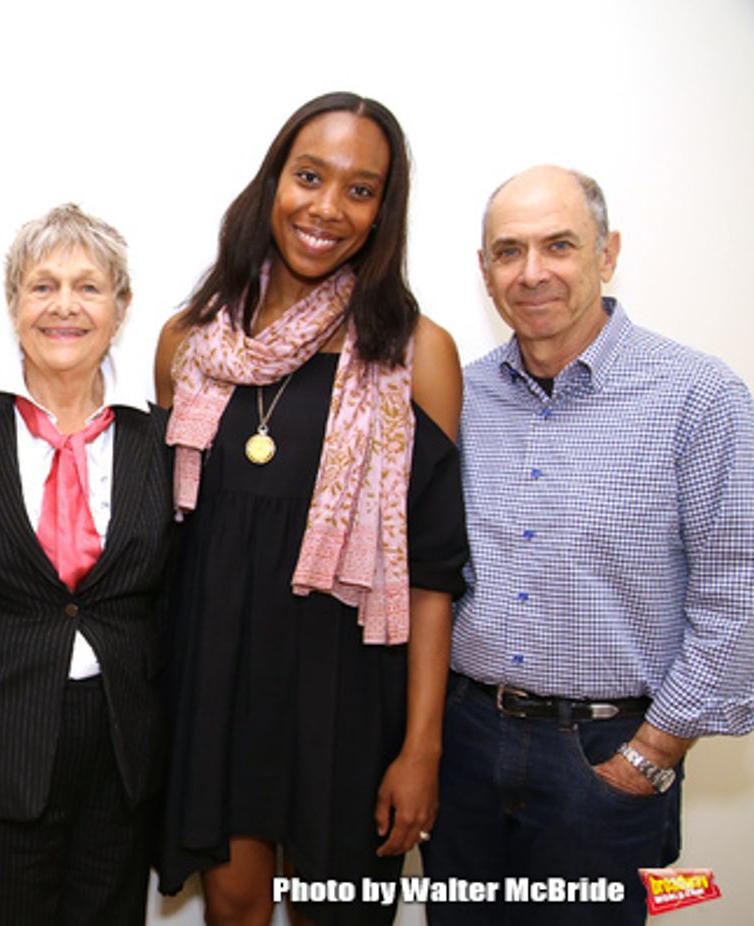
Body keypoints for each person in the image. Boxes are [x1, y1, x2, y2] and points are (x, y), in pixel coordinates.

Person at [154, 91, 467, 926]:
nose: (328, 207)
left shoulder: (417, 354)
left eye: (360, 190)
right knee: (233, 910)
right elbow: (178, 539)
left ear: (383, 214)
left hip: (349, 696)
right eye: (309, 176)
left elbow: (433, 573)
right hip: (220, 684)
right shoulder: (190, 344)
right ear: (273, 183)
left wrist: (422, 746)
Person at [421, 165, 754, 924]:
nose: (531, 272)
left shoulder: (699, 397)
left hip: (604, 757)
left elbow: (738, 593)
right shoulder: (461, 397)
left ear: (608, 254)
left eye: (559, 245)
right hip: (464, 746)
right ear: (484, 270)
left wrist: (651, 755)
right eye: (508, 251)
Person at [0, 203, 174, 925]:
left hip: (122, 752)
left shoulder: (165, 439)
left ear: (121, 307)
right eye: (42, 286)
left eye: (88, 287)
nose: (64, 306)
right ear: (13, 304)